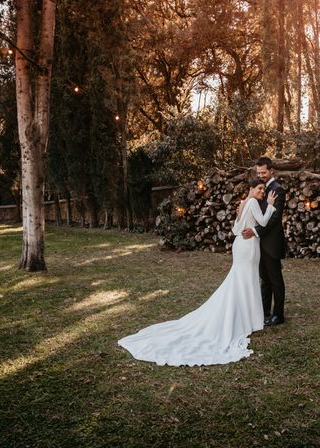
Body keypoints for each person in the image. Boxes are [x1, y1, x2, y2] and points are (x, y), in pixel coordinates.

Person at [118, 179, 278, 366]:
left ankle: (248, 317)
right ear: (251, 189)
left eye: (263, 189)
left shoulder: (243, 203)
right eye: (259, 189)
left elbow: (235, 229)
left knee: (241, 280)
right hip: (249, 247)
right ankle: (249, 319)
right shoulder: (252, 202)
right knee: (246, 280)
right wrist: (271, 206)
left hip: (240, 245)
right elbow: (264, 222)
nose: (262, 192)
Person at [242, 157, 287, 326]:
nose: (261, 175)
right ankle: (264, 310)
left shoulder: (278, 190)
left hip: (272, 242)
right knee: (264, 279)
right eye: (258, 172)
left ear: (271, 171)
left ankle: (278, 314)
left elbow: (274, 218)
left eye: (263, 172)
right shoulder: (260, 188)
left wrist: (254, 231)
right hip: (259, 243)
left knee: (275, 280)